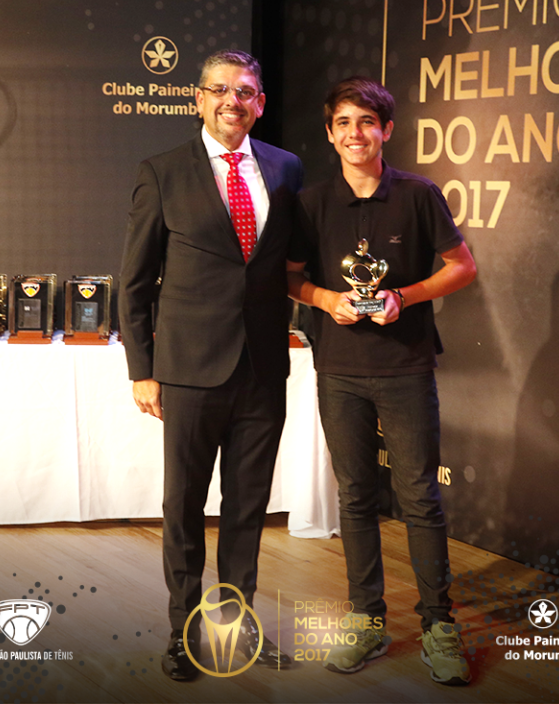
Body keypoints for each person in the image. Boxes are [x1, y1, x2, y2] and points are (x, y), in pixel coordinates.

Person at [119, 49, 303, 681]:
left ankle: (237, 623)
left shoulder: (286, 168)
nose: (233, 101)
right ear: (198, 99)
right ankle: (183, 630)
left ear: (260, 103)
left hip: (263, 371)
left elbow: (290, 263)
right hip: (189, 370)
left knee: (248, 507)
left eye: (245, 91)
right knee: (184, 506)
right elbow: (134, 282)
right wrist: (142, 370)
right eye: (220, 90)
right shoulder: (162, 171)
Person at [287, 76, 476, 684]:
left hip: (405, 367)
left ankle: (438, 624)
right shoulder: (311, 203)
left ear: (386, 130)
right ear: (330, 133)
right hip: (339, 369)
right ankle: (367, 620)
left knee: (419, 496)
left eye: (366, 122)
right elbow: (290, 277)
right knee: (355, 496)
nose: (355, 134)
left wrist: (404, 296)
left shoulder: (419, 194)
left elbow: (462, 267)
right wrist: (325, 299)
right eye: (343, 123)